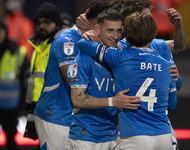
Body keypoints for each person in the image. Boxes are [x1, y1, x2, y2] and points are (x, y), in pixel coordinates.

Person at [77, 12, 177, 150]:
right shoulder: (167, 65)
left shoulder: (118, 56)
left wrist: (87, 35)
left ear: (126, 33)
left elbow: (82, 44)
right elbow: (172, 104)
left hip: (135, 136)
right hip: (163, 137)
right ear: (154, 32)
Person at [34, 0, 112, 149]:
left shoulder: (97, 42)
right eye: (100, 25)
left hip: (75, 116)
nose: (103, 30)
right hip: (55, 115)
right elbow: (73, 81)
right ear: (89, 19)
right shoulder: (66, 41)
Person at [67, 8, 141, 150]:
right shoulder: (84, 58)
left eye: (119, 31)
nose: (115, 36)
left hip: (113, 136)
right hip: (86, 138)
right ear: (97, 29)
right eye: (110, 30)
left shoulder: (121, 55)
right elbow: (77, 99)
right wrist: (113, 101)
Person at [24, 2, 62, 140]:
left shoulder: (59, 45)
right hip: (37, 106)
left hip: (55, 108)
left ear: (56, 23)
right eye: (39, 22)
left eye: (46, 22)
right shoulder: (38, 47)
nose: (41, 26)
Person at [0, 19, 29, 150]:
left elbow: (26, 80)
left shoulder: (16, 51)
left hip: (10, 106)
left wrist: (22, 104)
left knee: (11, 141)